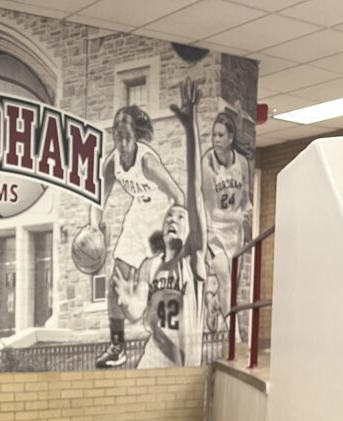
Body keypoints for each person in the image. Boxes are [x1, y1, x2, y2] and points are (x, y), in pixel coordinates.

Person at [114, 79, 211, 369]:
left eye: (181, 217)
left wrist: (190, 124)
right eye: (170, 215)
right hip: (151, 358)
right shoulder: (149, 265)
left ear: (189, 229)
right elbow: (134, 312)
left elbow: (193, 191)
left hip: (183, 367)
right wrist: (126, 299)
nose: (173, 218)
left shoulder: (194, 259)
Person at [90, 104, 183, 369]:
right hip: (138, 213)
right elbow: (99, 198)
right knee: (115, 285)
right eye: (117, 136)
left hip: (161, 211)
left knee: (159, 279)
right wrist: (93, 225)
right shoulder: (112, 163)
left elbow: (179, 196)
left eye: (126, 136)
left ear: (137, 135)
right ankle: (118, 347)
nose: (121, 141)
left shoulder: (147, 161)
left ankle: (171, 338)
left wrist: (175, 232)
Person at [201, 111, 253, 333]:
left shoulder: (241, 162)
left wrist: (249, 211)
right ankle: (234, 334)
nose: (216, 140)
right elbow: (213, 211)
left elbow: (247, 200)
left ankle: (213, 303)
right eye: (214, 135)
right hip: (214, 231)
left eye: (221, 135)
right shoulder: (208, 163)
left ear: (230, 138)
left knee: (231, 285)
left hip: (235, 232)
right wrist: (235, 215)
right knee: (223, 276)